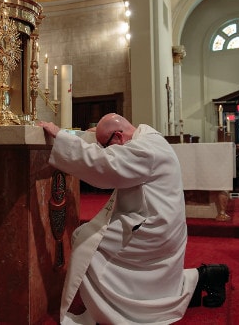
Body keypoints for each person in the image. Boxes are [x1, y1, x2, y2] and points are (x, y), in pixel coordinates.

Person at [39, 113, 229, 325]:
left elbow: (105, 165)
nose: (105, 149)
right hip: (159, 221)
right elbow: (109, 151)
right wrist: (91, 137)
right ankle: (207, 276)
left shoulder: (144, 150)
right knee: (90, 237)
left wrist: (61, 137)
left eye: (106, 144)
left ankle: (117, 313)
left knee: (86, 242)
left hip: (154, 229)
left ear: (119, 137)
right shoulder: (146, 135)